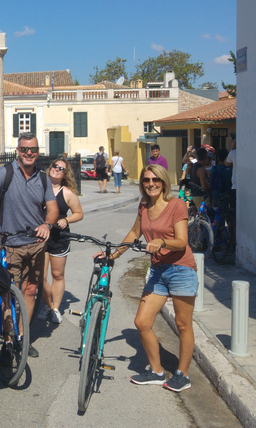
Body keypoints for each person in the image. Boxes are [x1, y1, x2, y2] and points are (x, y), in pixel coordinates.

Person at [102, 165, 196, 392]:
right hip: (158, 269)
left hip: (180, 268)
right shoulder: (144, 206)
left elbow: (182, 241)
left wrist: (162, 242)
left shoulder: (176, 205)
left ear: (163, 182)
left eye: (155, 179)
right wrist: (112, 256)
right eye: (146, 180)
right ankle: (156, 371)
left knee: (183, 325)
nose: (151, 183)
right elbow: (135, 233)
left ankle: (183, 374)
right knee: (142, 322)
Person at [0, 133, 59, 358]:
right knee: (8, 293)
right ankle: (7, 340)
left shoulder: (44, 178)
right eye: (25, 149)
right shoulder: (5, 173)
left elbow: (53, 209)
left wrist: (47, 224)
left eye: (33, 149)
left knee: (30, 290)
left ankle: (21, 337)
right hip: (10, 244)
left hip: (36, 244)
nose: (29, 153)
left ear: (38, 152)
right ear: (18, 150)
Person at [37, 159, 83, 324]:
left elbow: (79, 213)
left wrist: (67, 220)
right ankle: (48, 305)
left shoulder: (67, 192)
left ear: (65, 175)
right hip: (40, 237)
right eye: (55, 166)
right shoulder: (39, 187)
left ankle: (56, 309)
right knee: (40, 277)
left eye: (61, 169)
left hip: (59, 238)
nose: (57, 169)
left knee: (57, 274)